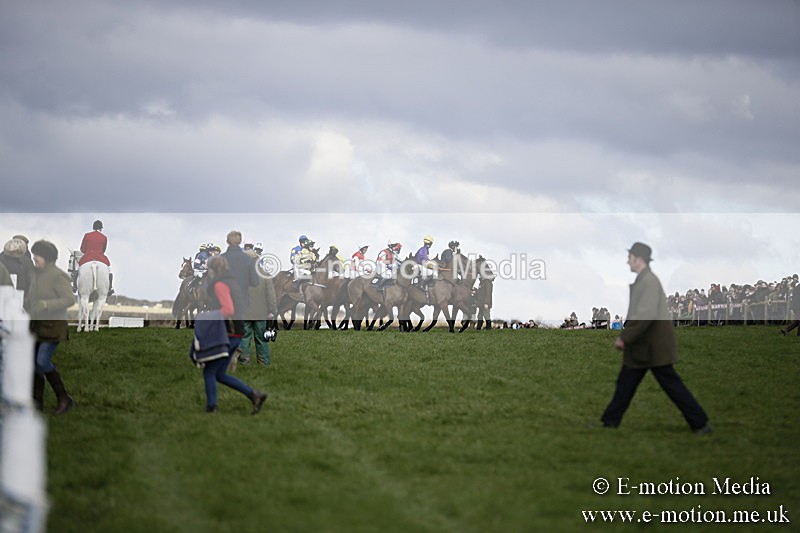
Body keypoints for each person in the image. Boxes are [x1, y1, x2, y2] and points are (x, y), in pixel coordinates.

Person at [600, 242, 711, 434]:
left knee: (670, 385)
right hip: (644, 347)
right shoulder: (645, 280)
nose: (627, 261)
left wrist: (625, 338)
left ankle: (700, 423)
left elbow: (645, 314)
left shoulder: (649, 281)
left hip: (652, 347)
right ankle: (610, 422)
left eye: (630, 258)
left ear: (639, 259)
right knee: (626, 384)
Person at [201, 255, 267, 414]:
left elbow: (228, 309)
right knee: (219, 374)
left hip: (227, 334)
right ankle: (254, 395)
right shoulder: (233, 282)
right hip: (236, 333)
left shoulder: (220, 284)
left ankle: (212, 407)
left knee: (209, 372)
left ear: (213, 270)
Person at [25, 240, 76, 415]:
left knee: (42, 361)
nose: (34, 258)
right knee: (34, 363)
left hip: (53, 327)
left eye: (37, 255)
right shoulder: (35, 274)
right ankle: (37, 402)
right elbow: (32, 297)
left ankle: (64, 397)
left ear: (46, 257)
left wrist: (47, 305)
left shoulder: (58, 276)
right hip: (37, 326)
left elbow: (69, 299)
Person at [237, 248, 278, 366]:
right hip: (261, 313)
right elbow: (271, 296)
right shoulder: (265, 275)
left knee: (244, 338)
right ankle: (264, 362)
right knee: (262, 339)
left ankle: (244, 362)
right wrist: (273, 311)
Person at [220, 230, 260, 311]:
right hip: (241, 302)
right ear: (240, 241)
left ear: (227, 241)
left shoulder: (220, 259)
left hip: (223, 302)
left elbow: (211, 281)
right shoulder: (248, 259)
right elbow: (255, 282)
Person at [79, 219, 114, 296]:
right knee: (109, 271)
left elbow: (82, 249)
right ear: (101, 228)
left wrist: (88, 252)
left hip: (87, 257)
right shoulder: (104, 237)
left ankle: (75, 286)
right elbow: (103, 250)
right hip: (100, 258)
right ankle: (110, 288)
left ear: (93, 227)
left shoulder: (87, 235)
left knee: (78, 270)